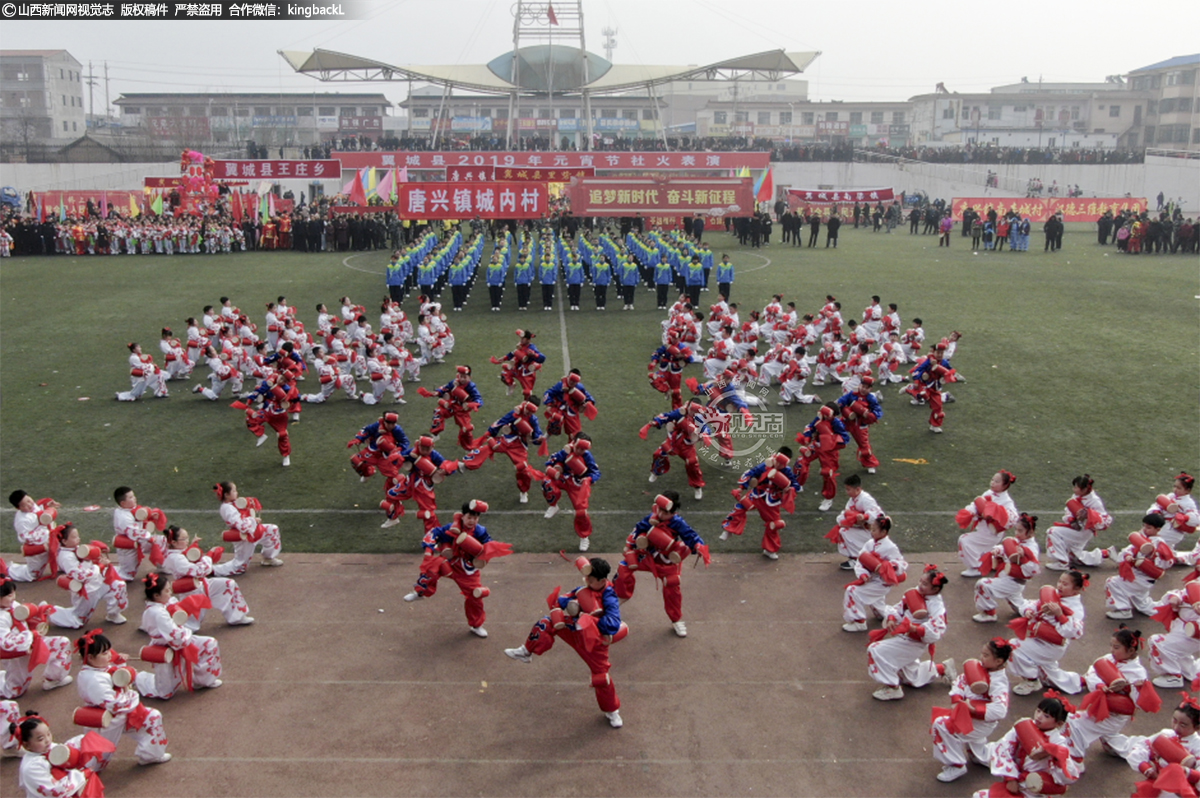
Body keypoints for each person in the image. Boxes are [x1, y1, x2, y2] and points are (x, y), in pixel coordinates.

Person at [503, 557, 628, 729]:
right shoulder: (583, 588)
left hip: (593, 641)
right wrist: (572, 604)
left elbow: (613, 624)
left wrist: (590, 617)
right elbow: (560, 601)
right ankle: (526, 652)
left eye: (590, 579)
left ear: (602, 580)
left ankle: (612, 711)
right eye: (586, 578)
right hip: (573, 630)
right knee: (546, 623)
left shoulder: (610, 596)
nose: (586, 581)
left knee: (601, 677)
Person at [403, 500, 512, 639]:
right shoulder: (452, 527)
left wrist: (482, 556)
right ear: (463, 516)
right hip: (450, 562)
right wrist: (429, 549)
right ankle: (419, 593)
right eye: (469, 517)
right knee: (431, 568)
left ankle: (476, 625)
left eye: (475, 518)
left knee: (475, 596)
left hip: (468, 569)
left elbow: (487, 547)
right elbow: (435, 533)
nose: (472, 521)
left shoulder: (480, 531)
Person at [614, 492, 709, 637]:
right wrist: (630, 546)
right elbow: (637, 529)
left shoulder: (678, 523)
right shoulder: (651, 518)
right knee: (624, 567)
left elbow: (691, 536)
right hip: (648, 556)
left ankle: (676, 620)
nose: (660, 514)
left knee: (672, 586)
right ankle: (616, 603)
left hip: (666, 560)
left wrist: (698, 547)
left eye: (665, 512)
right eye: (659, 509)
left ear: (673, 512)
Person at [74, 630, 170, 767]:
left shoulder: (99, 669)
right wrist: (131, 694)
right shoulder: (93, 679)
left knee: (152, 717)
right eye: (104, 653)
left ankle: (151, 755)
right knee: (94, 765)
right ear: (90, 658)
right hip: (106, 720)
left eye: (108, 651)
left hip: (120, 715)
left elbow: (116, 680)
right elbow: (115, 704)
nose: (109, 655)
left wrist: (120, 665)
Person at [1065, 625, 1159, 763]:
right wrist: (1100, 685)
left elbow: (1136, 705)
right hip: (1101, 705)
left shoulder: (1137, 673)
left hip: (1115, 715)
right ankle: (1145, 749)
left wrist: (1132, 688)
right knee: (1111, 740)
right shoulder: (1109, 658)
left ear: (1131, 650)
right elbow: (1092, 672)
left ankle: (1075, 761)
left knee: (1073, 723)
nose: (1111, 650)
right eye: (1111, 646)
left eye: (1116, 648)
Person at [930, 638, 1013, 782]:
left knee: (941, 725)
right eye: (982, 653)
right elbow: (960, 681)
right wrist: (957, 700)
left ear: (999, 661)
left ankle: (957, 765)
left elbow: (1000, 710)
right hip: (968, 715)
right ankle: (982, 755)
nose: (981, 658)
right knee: (975, 745)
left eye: (986, 655)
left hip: (980, 722)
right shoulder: (980, 668)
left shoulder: (998, 682)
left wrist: (973, 710)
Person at [866, 564, 952, 700]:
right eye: (920, 581)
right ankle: (942, 668)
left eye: (925, 584)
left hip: (914, 642)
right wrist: (892, 618)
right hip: (902, 636)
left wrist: (913, 628)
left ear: (935, 589)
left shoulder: (936, 606)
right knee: (911, 678)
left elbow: (937, 631)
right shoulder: (914, 592)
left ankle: (892, 688)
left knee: (876, 650)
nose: (920, 585)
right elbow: (898, 608)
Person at [970, 696, 1080, 798]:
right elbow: (1002, 747)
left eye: (1046, 716)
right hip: (1015, 776)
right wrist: (1010, 778)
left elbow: (1068, 774)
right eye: (1038, 711)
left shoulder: (1058, 742)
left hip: (1033, 786)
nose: (1039, 716)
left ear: (1059, 724)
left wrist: (1056, 755)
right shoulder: (1024, 726)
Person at [139, 573, 223, 698]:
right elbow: (177, 638)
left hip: (178, 640)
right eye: (167, 591)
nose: (170, 593)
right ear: (156, 596)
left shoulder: (163, 604)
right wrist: (187, 632)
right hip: (166, 646)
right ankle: (139, 677)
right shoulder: (157, 613)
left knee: (209, 643)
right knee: (165, 693)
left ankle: (203, 680)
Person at [1008, 571, 1089, 696]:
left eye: (1065, 584)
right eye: (1060, 582)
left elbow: (1075, 632)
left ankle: (1032, 681)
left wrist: (1060, 615)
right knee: (1049, 673)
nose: (1060, 586)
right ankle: (1080, 681)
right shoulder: (1053, 596)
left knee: (1014, 646)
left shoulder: (1075, 608)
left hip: (1053, 646)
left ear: (1077, 589)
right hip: (1038, 638)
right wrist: (1028, 611)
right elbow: (1030, 604)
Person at [159, 525, 254, 628]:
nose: (187, 541)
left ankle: (237, 617)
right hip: (191, 591)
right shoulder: (174, 558)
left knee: (227, 584)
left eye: (187, 537)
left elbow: (193, 560)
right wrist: (209, 557)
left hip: (201, 584)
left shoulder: (181, 552)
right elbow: (200, 571)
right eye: (184, 539)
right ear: (174, 542)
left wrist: (194, 547)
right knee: (190, 626)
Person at [719, 447, 799, 560]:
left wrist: (788, 489)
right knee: (741, 506)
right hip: (758, 493)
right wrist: (741, 488)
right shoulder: (764, 466)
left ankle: (769, 549)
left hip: (772, 499)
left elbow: (795, 485)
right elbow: (750, 473)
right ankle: (729, 529)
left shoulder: (787, 470)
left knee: (774, 524)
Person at [460, 400, 546, 503]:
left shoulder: (533, 419)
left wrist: (538, 438)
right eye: (528, 410)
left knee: (523, 469)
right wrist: (490, 432)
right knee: (487, 448)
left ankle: (523, 491)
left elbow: (536, 432)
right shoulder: (515, 414)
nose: (528, 413)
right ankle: (466, 464)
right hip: (506, 440)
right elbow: (501, 421)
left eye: (531, 412)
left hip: (519, 446)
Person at [0, 578, 74, 697]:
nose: (13, 597)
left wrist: (40, 614)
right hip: (16, 654)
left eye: (13, 593)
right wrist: (31, 635)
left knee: (62, 643)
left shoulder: (13, 605)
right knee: (15, 691)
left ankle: (53, 679)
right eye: (9, 595)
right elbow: (6, 643)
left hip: (33, 641)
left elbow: (26, 619)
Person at [10, 711, 111, 797]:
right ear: (26, 745)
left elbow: (65, 750)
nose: (48, 740)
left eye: (48, 734)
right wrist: (82, 774)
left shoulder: (47, 748)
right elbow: (56, 790)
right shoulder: (31, 768)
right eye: (40, 738)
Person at [53, 524, 129, 627]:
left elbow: (90, 558)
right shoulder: (66, 557)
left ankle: (113, 614)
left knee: (119, 586)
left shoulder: (78, 549)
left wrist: (98, 552)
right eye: (74, 537)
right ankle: (50, 612)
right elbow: (81, 576)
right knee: (78, 621)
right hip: (86, 590)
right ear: (64, 541)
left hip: (99, 582)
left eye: (78, 536)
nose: (78, 539)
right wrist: (101, 566)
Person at [842, 514, 907, 631]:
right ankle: (884, 614)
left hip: (882, 582)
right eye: (871, 529)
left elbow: (901, 564)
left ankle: (859, 622)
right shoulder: (869, 543)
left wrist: (887, 566)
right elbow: (861, 560)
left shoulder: (890, 547)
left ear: (884, 532)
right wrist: (863, 574)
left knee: (852, 591)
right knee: (876, 600)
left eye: (874, 530)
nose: (871, 532)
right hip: (872, 578)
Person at [973, 512, 1041, 623]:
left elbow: (1033, 570)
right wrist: (998, 550)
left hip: (1013, 582)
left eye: (1020, 531)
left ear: (1031, 532)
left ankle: (989, 613)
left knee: (982, 585)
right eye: (1016, 530)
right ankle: (1034, 609)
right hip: (1007, 579)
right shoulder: (1018, 541)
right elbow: (1006, 548)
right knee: (1020, 608)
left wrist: (1023, 557)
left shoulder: (1031, 548)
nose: (1017, 533)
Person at [1105, 513, 1174, 620]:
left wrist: (1154, 556)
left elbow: (1168, 562)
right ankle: (1167, 608)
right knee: (1143, 605)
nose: (1145, 529)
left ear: (1158, 529)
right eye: (1144, 526)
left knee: (1112, 582)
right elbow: (1127, 550)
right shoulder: (1142, 538)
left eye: (1149, 527)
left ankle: (1124, 611)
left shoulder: (1160, 544)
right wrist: (1128, 555)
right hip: (1137, 576)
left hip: (1143, 579)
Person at [1125, 695, 1200, 791]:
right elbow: (1138, 748)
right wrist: (1147, 769)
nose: (1176, 727)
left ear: (1197, 727)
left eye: (1183, 725)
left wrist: (1186, 772)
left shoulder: (1197, 745)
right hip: (1156, 784)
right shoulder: (1166, 734)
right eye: (1174, 721)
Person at [542, 434, 601, 551]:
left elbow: (596, 472)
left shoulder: (587, 456)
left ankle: (584, 537)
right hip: (564, 479)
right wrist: (558, 466)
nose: (579, 451)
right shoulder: (565, 452)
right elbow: (550, 463)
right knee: (547, 482)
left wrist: (589, 479)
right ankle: (553, 506)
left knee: (581, 512)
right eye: (578, 447)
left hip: (577, 484)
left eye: (583, 449)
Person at [956, 470, 1019, 578]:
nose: (993, 483)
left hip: (992, 533)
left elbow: (1013, 518)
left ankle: (977, 567)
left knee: (964, 540)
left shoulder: (1007, 501)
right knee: (980, 547)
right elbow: (976, 505)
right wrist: (970, 512)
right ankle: (996, 558)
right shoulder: (988, 493)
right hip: (983, 530)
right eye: (992, 480)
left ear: (1005, 485)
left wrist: (996, 514)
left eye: (997, 481)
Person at [1045, 474, 1114, 570]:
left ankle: (1063, 563)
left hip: (1085, 531)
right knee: (1075, 557)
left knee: (1052, 532)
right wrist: (1072, 520)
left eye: (1076, 487)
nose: (1074, 489)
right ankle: (1106, 553)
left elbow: (1105, 521)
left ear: (1085, 489)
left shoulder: (1094, 501)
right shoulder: (1077, 496)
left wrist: (1089, 514)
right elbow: (1068, 510)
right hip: (1076, 528)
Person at [639, 400, 706, 501]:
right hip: (674, 439)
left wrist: (702, 436)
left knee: (692, 463)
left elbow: (706, 431)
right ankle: (656, 471)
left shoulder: (699, 418)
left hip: (687, 445)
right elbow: (667, 416)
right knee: (658, 454)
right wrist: (656, 421)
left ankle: (697, 487)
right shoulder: (680, 412)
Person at [214, 481, 283, 573]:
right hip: (244, 538)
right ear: (226, 495)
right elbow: (242, 527)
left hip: (254, 531)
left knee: (272, 530)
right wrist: (253, 520)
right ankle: (210, 570)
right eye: (234, 491)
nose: (237, 493)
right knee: (239, 567)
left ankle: (269, 558)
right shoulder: (227, 509)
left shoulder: (234, 503)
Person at [1147, 576, 1200, 689]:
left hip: (1193, 634)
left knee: (1157, 642)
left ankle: (1173, 676)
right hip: (1179, 625)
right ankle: (1188, 671)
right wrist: (1175, 597)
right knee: (1179, 652)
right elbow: (1184, 591)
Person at [795, 404, 849, 513]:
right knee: (801, 461)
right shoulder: (819, 418)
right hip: (816, 445)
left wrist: (830, 440)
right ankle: (798, 483)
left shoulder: (837, 423)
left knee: (828, 473)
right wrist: (807, 437)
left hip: (829, 451)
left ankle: (828, 499)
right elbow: (810, 427)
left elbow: (845, 439)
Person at [417, 365, 483, 450]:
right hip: (451, 405)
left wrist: (471, 405)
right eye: (460, 376)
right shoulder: (454, 382)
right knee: (438, 411)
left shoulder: (471, 387)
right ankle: (435, 434)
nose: (462, 379)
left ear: (470, 377)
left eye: (464, 377)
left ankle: (469, 447)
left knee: (466, 429)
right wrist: (437, 392)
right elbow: (445, 388)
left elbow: (479, 400)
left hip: (462, 411)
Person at [825, 474, 883, 570]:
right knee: (842, 530)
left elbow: (878, 516)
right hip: (866, 529)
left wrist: (864, 517)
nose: (847, 492)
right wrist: (850, 519)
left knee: (845, 531)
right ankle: (862, 557)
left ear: (858, 489)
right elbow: (843, 515)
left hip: (874, 533)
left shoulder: (866, 499)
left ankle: (859, 559)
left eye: (849, 489)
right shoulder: (853, 500)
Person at [110, 486, 166, 583]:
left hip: (141, 541)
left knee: (162, 541)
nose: (135, 498)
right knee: (127, 576)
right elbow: (134, 533)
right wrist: (149, 538)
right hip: (129, 548)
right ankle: (104, 572)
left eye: (134, 496)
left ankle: (162, 566)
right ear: (123, 503)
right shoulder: (123, 517)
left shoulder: (132, 509)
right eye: (131, 497)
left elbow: (141, 517)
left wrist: (151, 515)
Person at [6, 490, 59, 583]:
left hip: (49, 539)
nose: (29, 505)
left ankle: (67, 566)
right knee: (34, 574)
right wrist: (45, 536)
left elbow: (39, 509)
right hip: (37, 547)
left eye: (29, 500)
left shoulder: (33, 506)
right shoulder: (22, 521)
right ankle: (8, 570)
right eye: (24, 505)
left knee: (62, 549)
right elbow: (25, 537)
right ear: (18, 508)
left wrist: (47, 506)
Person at [835, 377, 882, 474]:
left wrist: (870, 416)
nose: (864, 389)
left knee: (864, 446)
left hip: (860, 425)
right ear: (859, 385)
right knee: (832, 433)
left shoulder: (871, 398)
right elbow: (841, 401)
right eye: (863, 386)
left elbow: (878, 411)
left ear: (870, 389)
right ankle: (831, 461)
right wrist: (842, 408)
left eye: (867, 388)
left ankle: (870, 464)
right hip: (847, 421)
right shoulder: (852, 394)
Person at [490, 330, 545, 400]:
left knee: (527, 393)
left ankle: (526, 405)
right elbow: (513, 353)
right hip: (517, 368)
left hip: (526, 373)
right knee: (504, 375)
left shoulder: (532, 348)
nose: (521, 340)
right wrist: (503, 358)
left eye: (523, 339)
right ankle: (511, 384)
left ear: (528, 340)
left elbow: (542, 358)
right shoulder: (521, 345)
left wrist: (534, 355)